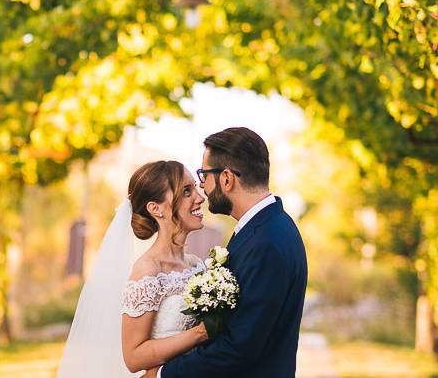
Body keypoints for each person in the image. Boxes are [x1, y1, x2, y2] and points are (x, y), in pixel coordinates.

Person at [146, 127, 308, 378]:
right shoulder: (267, 227)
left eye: (204, 175)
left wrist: (162, 375)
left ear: (227, 179)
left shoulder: (266, 241)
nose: (202, 188)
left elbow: (239, 347)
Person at [57, 160, 209, 377]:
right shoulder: (148, 271)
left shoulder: (195, 264)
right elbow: (134, 357)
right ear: (155, 208)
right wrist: (200, 333)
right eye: (186, 191)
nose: (200, 197)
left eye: (195, 188)